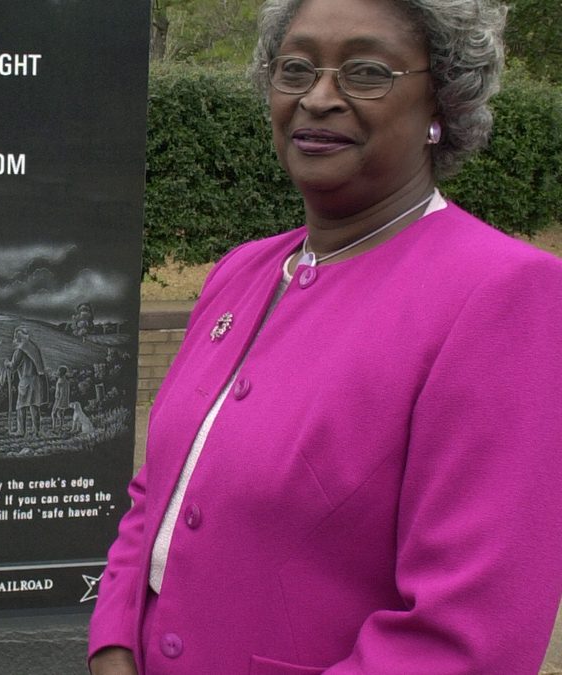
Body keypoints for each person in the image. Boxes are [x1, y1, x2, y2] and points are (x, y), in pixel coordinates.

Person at [89, 0, 562, 673]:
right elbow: (157, 488)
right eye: (296, 68)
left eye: (366, 72)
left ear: (443, 102)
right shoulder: (239, 272)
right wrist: (112, 643)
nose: (317, 96)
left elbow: (466, 638)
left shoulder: (502, 296)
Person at [6, 324, 48, 436]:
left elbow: (13, 366)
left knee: (21, 406)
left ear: (18, 337)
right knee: (34, 405)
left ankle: (21, 430)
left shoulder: (21, 349)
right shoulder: (33, 347)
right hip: (36, 380)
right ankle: (36, 430)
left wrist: (7, 363)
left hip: (26, 380)